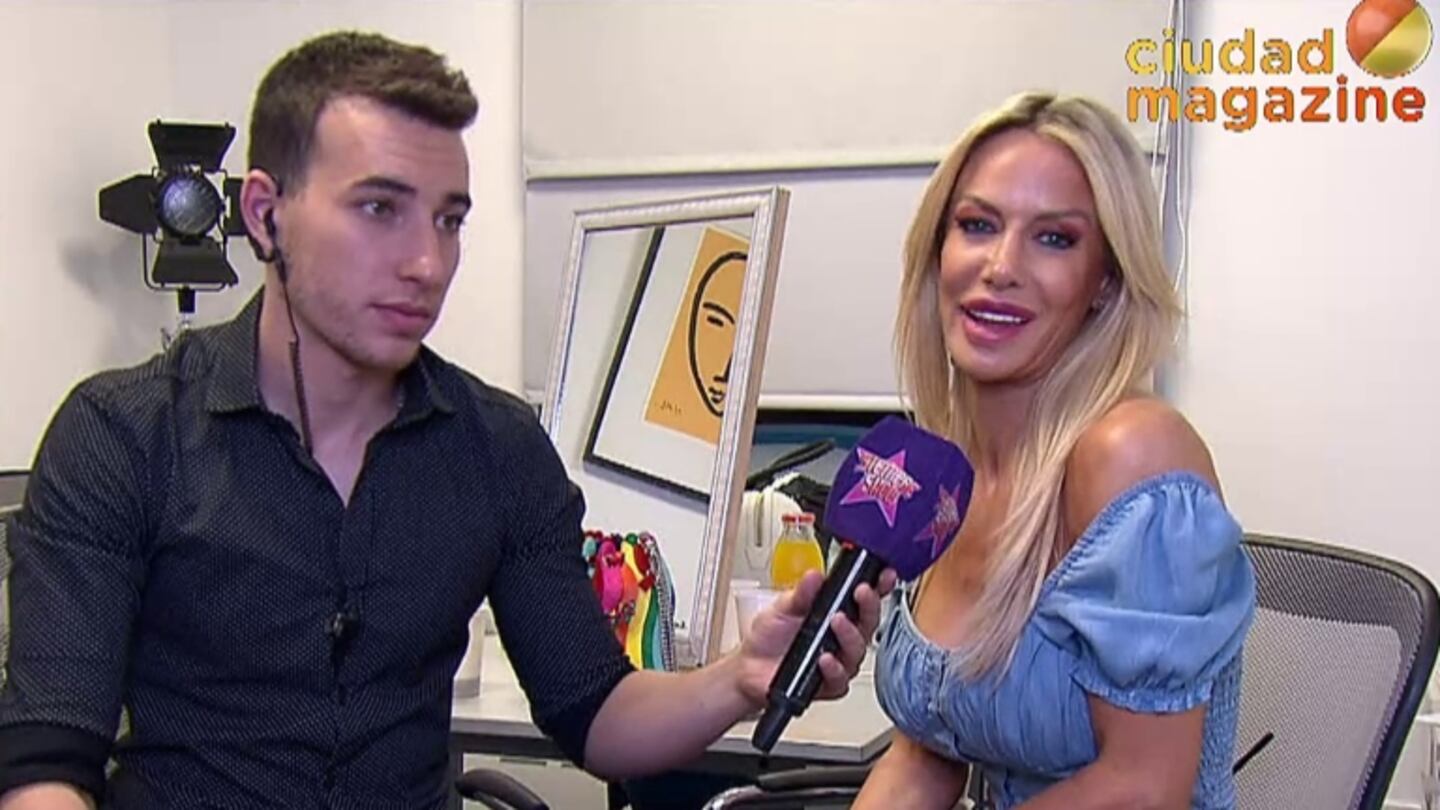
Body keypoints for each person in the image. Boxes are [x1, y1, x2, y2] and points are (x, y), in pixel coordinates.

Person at [0, 31, 892, 810]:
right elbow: (46, 763)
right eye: (379, 209)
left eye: (449, 220)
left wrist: (738, 679)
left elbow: (596, 712)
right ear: (266, 215)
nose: (427, 262)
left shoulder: (496, 450)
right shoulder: (125, 436)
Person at [853, 92, 1257, 810]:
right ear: (938, 250)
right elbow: (927, 749)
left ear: (1105, 280)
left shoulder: (1134, 456)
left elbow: (1142, 788)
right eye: (977, 225)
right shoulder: (947, 471)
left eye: (1054, 238)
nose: (1000, 266)